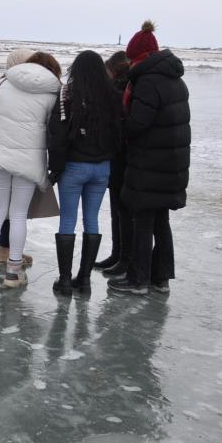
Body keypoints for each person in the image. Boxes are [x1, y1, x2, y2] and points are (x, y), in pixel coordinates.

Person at [109, 21, 190, 295]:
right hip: (171, 165)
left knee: (143, 220)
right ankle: (161, 277)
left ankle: (138, 279)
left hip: (150, 164)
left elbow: (137, 124)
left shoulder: (146, 81)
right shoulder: (175, 79)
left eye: (131, 58)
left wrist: (119, 119)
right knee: (161, 222)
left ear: (138, 57)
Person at [0, 52, 61, 288]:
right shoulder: (53, 92)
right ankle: (13, 272)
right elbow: (55, 130)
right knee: (18, 214)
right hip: (29, 161)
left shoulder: (3, 82)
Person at [47, 50, 121, 294]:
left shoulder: (67, 94)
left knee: (68, 220)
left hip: (73, 166)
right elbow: (119, 133)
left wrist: (55, 169)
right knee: (92, 219)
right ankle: (85, 279)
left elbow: (57, 135)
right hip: (102, 168)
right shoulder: (112, 95)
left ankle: (65, 280)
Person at [0, 48, 36, 267]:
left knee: (1, 208)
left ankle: (3, 251)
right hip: (24, 156)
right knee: (17, 210)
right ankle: (7, 252)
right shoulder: (34, 88)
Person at [96, 51, 133, 275]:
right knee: (117, 208)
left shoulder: (123, 88)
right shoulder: (120, 87)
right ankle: (118, 253)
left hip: (123, 156)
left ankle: (124, 256)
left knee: (123, 209)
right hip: (118, 156)